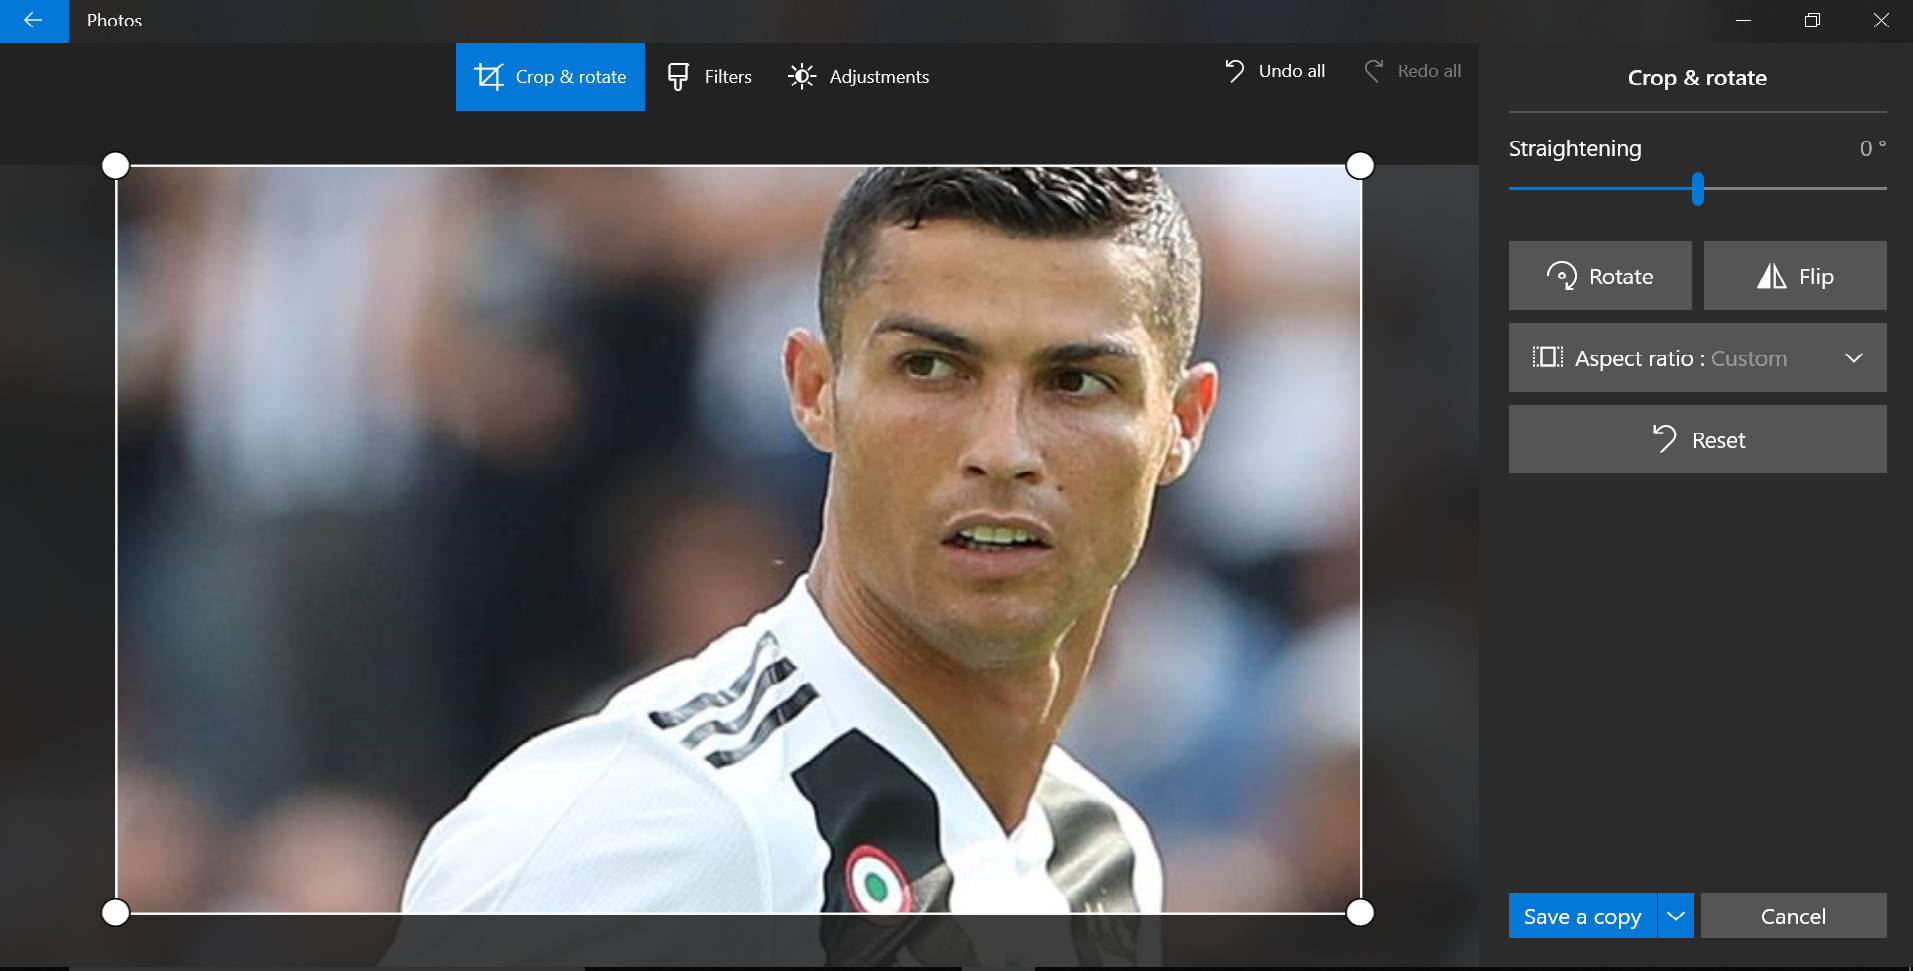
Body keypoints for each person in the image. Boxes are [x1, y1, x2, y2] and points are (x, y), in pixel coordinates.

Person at [401, 167, 1220, 922]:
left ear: (1181, 424)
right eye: (931, 367)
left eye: (1076, 382)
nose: (1002, 448)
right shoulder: (653, 826)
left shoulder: (1101, 853)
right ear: (814, 390)